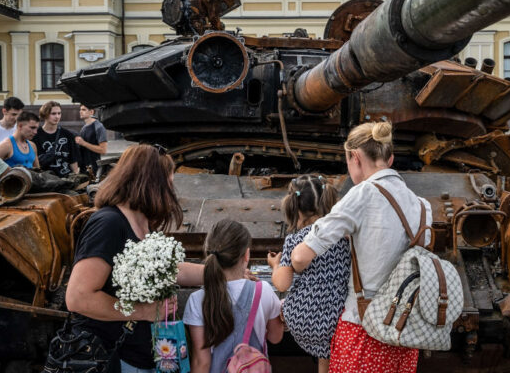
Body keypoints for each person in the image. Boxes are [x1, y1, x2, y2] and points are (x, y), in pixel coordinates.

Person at [290, 121, 432, 373]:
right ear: (390, 159)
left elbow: (300, 257)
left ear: (355, 157)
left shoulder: (361, 194)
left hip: (364, 332)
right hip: (404, 334)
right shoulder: (422, 206)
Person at [65, 144, 205, 373]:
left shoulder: (142, 222)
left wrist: (217, 272)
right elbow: (78, 297)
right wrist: (143, 311)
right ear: (152, 183)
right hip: (112, 358)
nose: (172, 191)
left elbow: (169, 269)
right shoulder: (109, 223)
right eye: (169, 183)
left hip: (141, 357)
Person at [267, 175, 349, 373]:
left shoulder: (295, 239)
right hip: (338, 318)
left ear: (293, 206)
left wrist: (275, 265)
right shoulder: (343, 235)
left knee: (285, 303)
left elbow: (282, 284)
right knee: (327, 348)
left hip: (304, 319)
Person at [184, 219, 283, 373]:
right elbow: (275, 337)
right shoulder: (263, 290)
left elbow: (201, 362)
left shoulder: (197, 300)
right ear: (246, 255)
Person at [33, 101, 79, 177]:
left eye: (59, 113)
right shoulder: (35, 135)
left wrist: (76, 177)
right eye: (53, 114)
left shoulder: (68, 135)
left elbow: (73, 160)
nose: (57, 117)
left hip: (65, 178)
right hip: (45, 180)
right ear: (45, 115)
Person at [75, 105, 108, 175]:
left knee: (92, 184)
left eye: (84, 110)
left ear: (91, 112)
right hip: (84, 167)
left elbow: (103, 150)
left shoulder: (99, 127)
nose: (80, 112)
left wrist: (84, 143)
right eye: (80, 109)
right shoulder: (84, 128)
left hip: (93, 167)